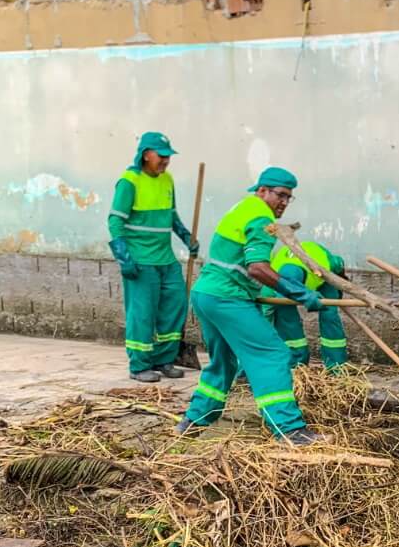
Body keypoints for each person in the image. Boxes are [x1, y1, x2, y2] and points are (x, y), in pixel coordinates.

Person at [178, 166, 326, 445]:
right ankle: (289, 428)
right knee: (271, 353)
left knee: (223, 362)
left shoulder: (243, 207)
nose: (283, 202)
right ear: (262, 191)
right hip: (227, 297)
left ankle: (194, 421)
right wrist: (299, 292)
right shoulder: (261, 216)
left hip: (206, 294)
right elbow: (258, 268)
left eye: (288, 197)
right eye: (280, 195)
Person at [107, 131, 198, 383]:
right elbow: (115, 221)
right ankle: (139, 365)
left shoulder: (167, 180)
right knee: (142, 313)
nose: (166, 161)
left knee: (175, 305)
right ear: (146, 154)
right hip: (140, 259)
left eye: (169, 156)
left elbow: (172, 215)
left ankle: (164, 359)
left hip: (165, 258)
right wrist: (123, 256)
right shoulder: (129, 181)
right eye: (162, 156)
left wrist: (186, 236)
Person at [267, 240, 350, 371]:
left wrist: (340, 284)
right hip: (283, 283)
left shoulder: (325, 261)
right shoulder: (271, 274)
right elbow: (264, 310)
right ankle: (297, 365)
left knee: (329, 315)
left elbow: (339, 264)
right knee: (284, 315)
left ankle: (336, 365)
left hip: (324, 279)